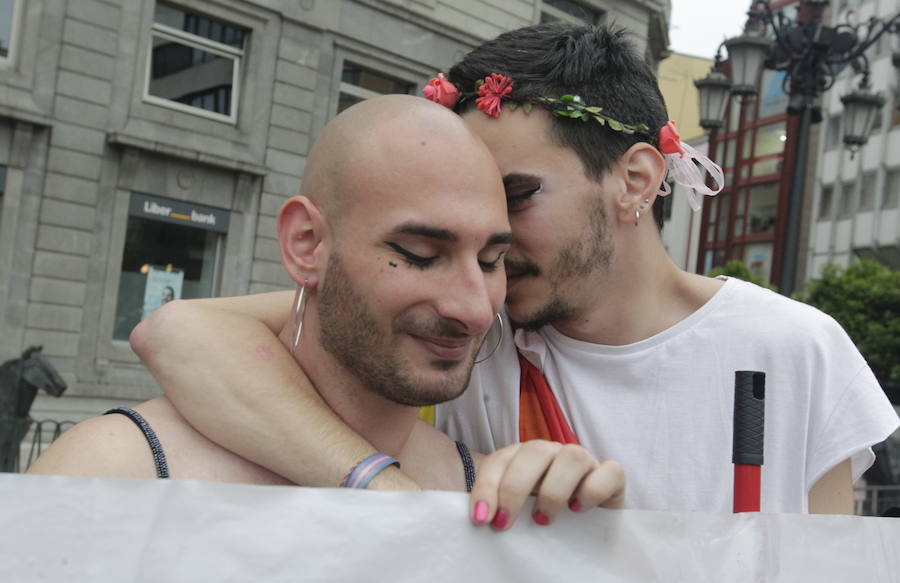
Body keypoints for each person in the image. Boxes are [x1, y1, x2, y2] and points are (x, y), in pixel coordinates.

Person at [131, 24, 898, 515]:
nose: (485, 241)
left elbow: (819, 573)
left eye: (516, 196)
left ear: (635, 180)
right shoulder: (472, 322)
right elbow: (180, 331)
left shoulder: (794, 347)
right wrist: (385, 494)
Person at [27, 95, 625, 530]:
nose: (472, 308)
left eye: (493, 260)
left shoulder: (495, 493)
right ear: (306, 244)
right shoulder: (113, 469)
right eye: (419, 254)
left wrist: (588, 540)